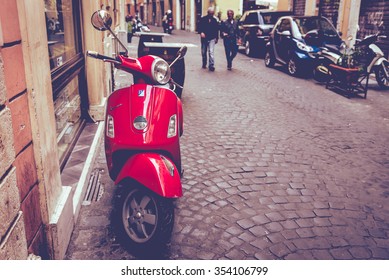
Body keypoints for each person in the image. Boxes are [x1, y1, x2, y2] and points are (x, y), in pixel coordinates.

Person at [198, 7, 219, 71]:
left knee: (211, 52)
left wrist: (217, 38)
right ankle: (204, 63)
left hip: (212, 38)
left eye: (212, 13)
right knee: (204, 52)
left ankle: (211, 65)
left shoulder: (215, 20)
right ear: (208, 13)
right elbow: (199, 27)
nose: (211, 15)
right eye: (210, 13)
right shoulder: (203, 19)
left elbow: (216, 30)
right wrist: (201, 32)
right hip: (204, 38)